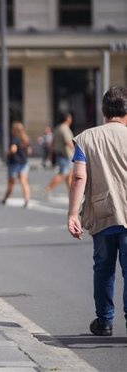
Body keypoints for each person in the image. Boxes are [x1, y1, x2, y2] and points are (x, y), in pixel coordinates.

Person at [67, 86, 127, 337]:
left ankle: (104, 320)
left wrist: (72, 214)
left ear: (103, 111)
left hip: (102, 212)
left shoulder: (86, 138)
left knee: (103, 268)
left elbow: (79, 177)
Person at [1, 121, 32, 208]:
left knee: (11, 182)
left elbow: (13, 149)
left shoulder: (14, 138)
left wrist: (7, 153)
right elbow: (29, 151)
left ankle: (5, 198)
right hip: (24, 162)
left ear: (14, 130)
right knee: (24, 181)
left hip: (14, 163)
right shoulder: (25, 138)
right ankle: (27, 200)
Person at [45, 112, 74, 195]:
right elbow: (69, 142)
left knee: (68, 176)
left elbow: (53, 142)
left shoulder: (57, 128)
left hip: (60, 154)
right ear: (67, 119)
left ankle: (72, 193)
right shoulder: (65, 128)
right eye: (70, 118)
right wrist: (77, 151)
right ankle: (49, 188)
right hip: (66, 154)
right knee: (63, 174)